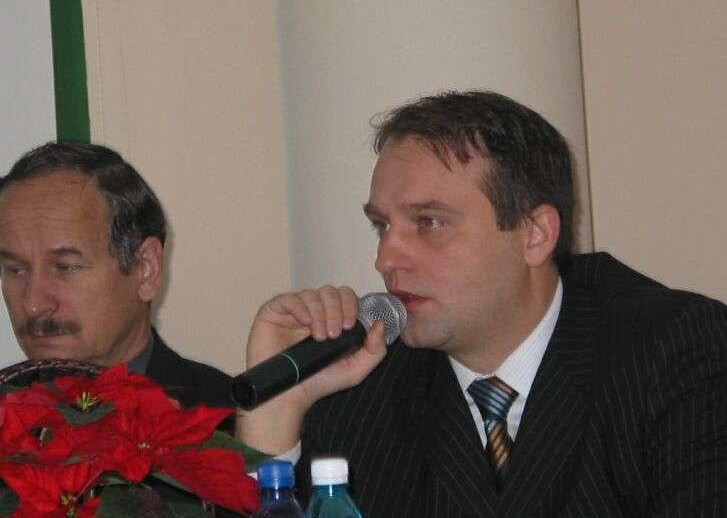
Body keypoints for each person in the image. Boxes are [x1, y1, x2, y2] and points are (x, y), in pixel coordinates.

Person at [237, 91, 727, 517]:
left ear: (535, 234)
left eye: (429, 223)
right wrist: (277, 410)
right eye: (382, 226)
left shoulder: (675, 351)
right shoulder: (361, 386)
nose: (385, 259)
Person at [0, 142, 233, 412]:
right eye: (16, 270)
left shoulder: (235, 421)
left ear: (145, 269)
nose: (33, 304)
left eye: (66, 267)